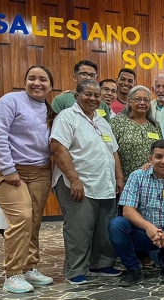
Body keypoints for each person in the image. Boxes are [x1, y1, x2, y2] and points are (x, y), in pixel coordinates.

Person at [0, 65, 56, 293]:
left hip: (39, 171)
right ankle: (13, 273)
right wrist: (8, 169)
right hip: (8, 170)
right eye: (32, 78)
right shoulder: (9, 101)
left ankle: (29, 267)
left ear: (50, 85)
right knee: (22, 217)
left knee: (34, 220)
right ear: (24, 81)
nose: (37, 83)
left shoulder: (48, 110)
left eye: (43, 79)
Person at [50, 80, 124, 284]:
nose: (93, 98)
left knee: (104, 228)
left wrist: (119, 178)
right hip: (78, 183)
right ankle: (75, 271)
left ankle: (100, 265)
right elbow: (58, 148)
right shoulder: (67, 117)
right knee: (79, 228)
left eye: (96, 95)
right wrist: (74, 179)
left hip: (104, 184)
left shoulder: (101, 120)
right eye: (88, 94)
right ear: (77, 95)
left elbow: (114, 152)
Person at [108, 140, 164, 286]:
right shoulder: (136, 177)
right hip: (143, 231)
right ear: (150, 159)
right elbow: (127, 210)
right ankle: (133, 269)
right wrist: (148, 227)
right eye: (158, 157)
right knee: (116, 225)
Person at [109, 86, 163, 181]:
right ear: (129, 102)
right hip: (125, 180)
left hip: (152, 180)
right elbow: (111, 151)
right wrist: (119, 178)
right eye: (138, 99)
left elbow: (161, 151)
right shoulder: (118, 122)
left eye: (146, 100)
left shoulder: (155, 125)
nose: (142, 103)